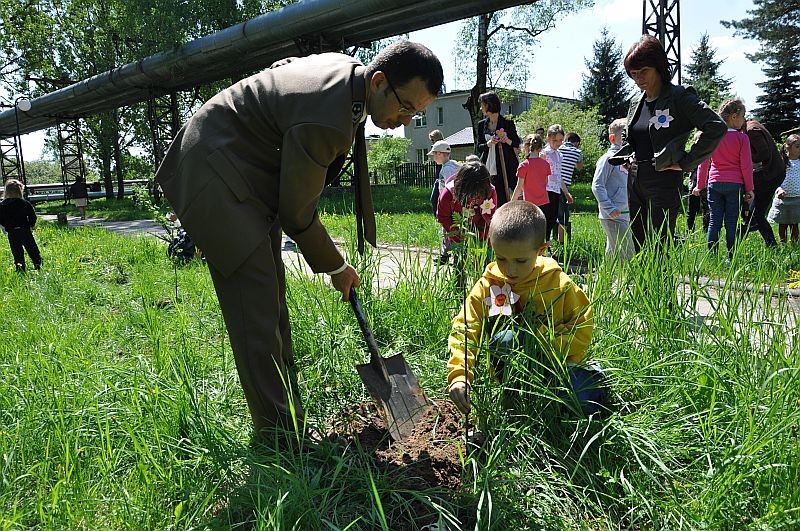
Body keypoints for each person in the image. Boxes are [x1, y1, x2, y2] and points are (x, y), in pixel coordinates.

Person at [155, 41, 444, 439]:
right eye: (406, 107)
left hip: (245, 171)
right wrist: (336, 266)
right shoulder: (329, 116)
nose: (406, 121)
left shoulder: (349, 78)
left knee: (272, 300)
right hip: (217, 170)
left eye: (417, 113)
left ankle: (290, 418)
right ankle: (280, 441)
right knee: (255, 309)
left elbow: (282, 68)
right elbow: (297, 213)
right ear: (379, 82)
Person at [446, 201, 607, 417]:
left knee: (582, 402)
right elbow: (466, 328)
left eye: (521, 260)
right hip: (514, 378)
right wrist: (460, 374)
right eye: (501, 258)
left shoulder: (559, 284)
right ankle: (516, 402)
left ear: (541, 250)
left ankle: (593, 379)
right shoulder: (488, 286)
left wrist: (538, 345)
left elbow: (582, 328)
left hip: (559, 368)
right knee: (506, 340)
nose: (510, 269)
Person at [610, 34, 726, 253]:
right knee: (640, 245)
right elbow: (633, 136)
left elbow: (716, 127)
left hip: (663, 179)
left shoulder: (679, 96)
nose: (638, 79)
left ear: (659, 66)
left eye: (644, 71)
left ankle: (662, 288)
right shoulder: (636, 101)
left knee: (660, 246)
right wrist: (628, 155)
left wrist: (687, 162)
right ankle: (644, 289)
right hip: (634, 179)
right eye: (633, 74)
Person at [692, 99, 754, 261]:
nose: (744, 120)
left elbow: (703, 163)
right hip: (735, 185)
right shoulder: (742, 139)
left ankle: (712, 258)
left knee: (715, 221)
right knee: (731, 221)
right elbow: (746, 166)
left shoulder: (713, 137)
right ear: (734, 116)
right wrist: (749, 189)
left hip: (714, 183)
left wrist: (699, 186)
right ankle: (729, 257)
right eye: (743, 117)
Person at [437, 160, 497, 287]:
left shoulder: (490, 191)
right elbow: (443, 217)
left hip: (483, 233)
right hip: (458, 233)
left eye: (479, 192)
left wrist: (484, 235)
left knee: (486, 265)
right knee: (460, 264)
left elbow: (491, 217)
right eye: (472, 191)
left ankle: (485, 295)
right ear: (463, 185)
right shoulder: (448, 193)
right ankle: (460, 294)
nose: (475, 195)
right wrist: (457, 235)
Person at [592, 118, 634, 261]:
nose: (627, 139)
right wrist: (609, 207)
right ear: (612, 138)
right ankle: (628, 282)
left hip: (625, 213)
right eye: (623, 136)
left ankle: (604, 281)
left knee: (612, 253)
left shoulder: (629, 158)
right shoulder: (608, 159)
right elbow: (597, 185)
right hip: (612, 215)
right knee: (628, 252)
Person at [741, 119, 785, 246]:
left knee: (739, 189)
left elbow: (763, 154)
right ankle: (772, 245)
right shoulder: (753, 125)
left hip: (770, 175)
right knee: (758, 214)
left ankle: (747, 222)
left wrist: (744, 154)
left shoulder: (751, 130)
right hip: (774, 174)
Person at [476, 91, 521, 206]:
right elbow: (479, 147)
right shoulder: (481, 125)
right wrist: (489, 143)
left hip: (506, 165)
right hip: (488, 166)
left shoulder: (507, 123)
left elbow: (516, 142)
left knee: (505, 195)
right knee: (489, 196)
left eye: (482, 105)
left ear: (489, 105)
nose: (481, 108)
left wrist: (506, 140)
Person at [428, 140, 461, 264]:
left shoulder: (447, 170)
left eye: (434, 154)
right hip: (452, 204)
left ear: (441, 154)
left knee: (448, 229)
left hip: (448, 205)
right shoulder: (454, 165)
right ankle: (448, 253)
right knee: (450, 228)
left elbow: (449, 189)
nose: (433, 157)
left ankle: (447, 255)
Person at [0, 179, 42, 271]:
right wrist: (31, 225)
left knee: (17, 252)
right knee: (32, 250)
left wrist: (7, 225)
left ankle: (20, 268)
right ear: (20, 190)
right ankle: (38, 265)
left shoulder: (2, 205)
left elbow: (1, 220)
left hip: (12, 232)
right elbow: (33, 217)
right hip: (25, 230)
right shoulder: (24, 203)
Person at [541, 124, 573, 242]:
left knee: (553, 218)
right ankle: (542, 243)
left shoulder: (559, 155)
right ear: (548, 138)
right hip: (545, 190)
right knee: (545, 217)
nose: (558, 143)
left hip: (555, 190)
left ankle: (547, 243)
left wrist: (566, 192)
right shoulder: (544, 153)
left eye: (560, 140)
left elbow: (559, 176)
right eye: (555, 140)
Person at [768, 134, 800, 244]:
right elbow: (775, 179)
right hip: (782, 200)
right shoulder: (781, 163)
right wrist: (779, 190)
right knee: (783, 224)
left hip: (797, 199)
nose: (799, 149)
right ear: (788, 147)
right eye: (797, 146)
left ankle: (794, 245)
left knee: (794, 224)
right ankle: (783, 244)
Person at [510, 134, 550, 215]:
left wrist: (511, 204)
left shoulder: (523, 165)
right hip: (544, 203)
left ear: (526, 147)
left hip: (529, 205)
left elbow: (519, 187)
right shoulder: (546, 164)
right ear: (540, 148)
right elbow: (546, 183)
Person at [557, 132, 584, 242]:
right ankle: (561, 242)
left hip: (550, 185)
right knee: (563, 215)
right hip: (564, 187)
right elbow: (580, 167)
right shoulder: (577, 152)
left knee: (554, 213)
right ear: (577, 142)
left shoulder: (557, 149)